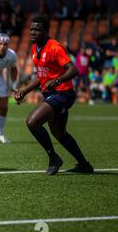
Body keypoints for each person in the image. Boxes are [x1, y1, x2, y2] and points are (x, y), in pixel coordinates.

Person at [14, 16, 94, 175]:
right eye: (31, 29)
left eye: (37, 30)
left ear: (46, 31)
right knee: (60, 134)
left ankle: (53, 158)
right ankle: (84, 165)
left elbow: (73, 69)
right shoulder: (35, 48)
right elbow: (42, 76)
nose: (32, 32)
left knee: (32, 122)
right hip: (52, 95)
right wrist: (25, 91)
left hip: (63, 94)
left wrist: (57, 80)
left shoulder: (55, 47)